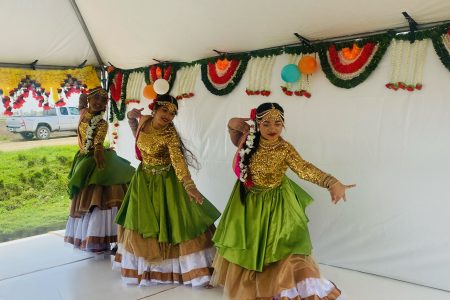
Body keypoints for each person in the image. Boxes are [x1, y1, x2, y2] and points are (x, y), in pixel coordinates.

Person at [211, 102, 355, 299]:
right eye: (267, 124)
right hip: (249, 204)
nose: (272, 129)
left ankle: (283, 287)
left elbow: (304, 168)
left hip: (278, 204)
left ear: (283, 125)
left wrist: (331, 182)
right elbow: (233, 129)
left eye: (278, 124)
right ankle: (253, 287)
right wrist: (233, 122)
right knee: (250, 245)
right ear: (257, 125)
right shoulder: (248, 142)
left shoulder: (285, 148)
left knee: (285, 246)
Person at [114, 94, 220, 287]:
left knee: (176, 221)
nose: (169, 116)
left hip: (166, 181)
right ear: (154, 109)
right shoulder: (144, 121)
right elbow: (137, 133)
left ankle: (188, 270)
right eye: (165, 110)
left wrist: (190, 186)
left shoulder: (169, 134)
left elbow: (178, 162)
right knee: (143, 221)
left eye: (173, 113)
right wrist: (131, 116)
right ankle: (147, 268)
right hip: (143, 180)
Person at [64, 87, 135, 254]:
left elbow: (98, 141)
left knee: (103, 199)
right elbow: (82, 100)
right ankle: (96, 241)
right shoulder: (83, 113)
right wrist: (86, 97)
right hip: (82, 159)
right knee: (87, 200)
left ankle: (114, 237)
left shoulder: (101, 123)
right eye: (96, 98)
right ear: (88, 100)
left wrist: (97, 151)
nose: (99, 103)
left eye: (104, 100)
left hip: (97, 159)